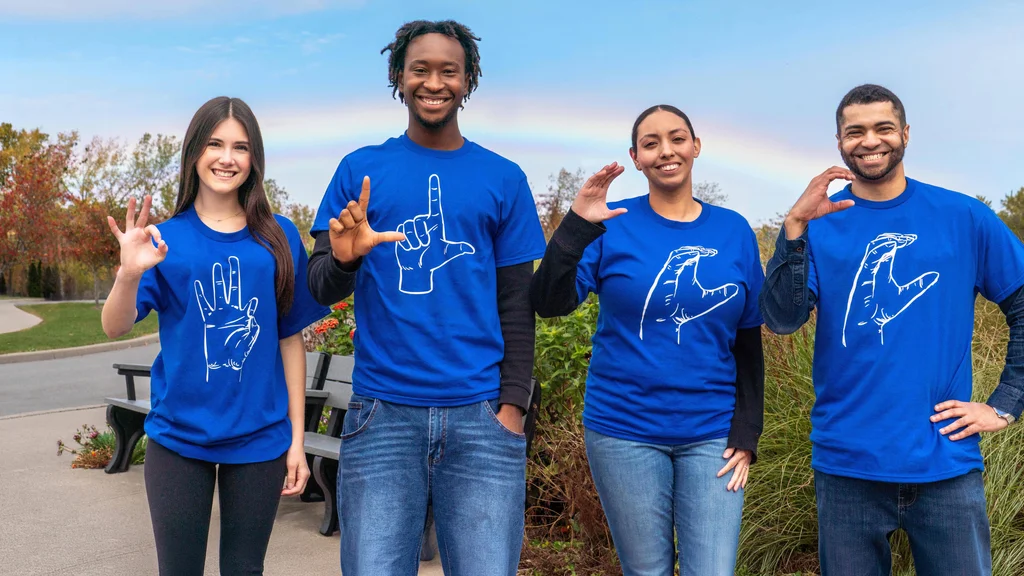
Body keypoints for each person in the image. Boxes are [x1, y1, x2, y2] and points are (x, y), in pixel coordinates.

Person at [306, 20, 546, 576]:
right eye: (420, 69)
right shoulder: (359, 171)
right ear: (398, 76)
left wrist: (512, 409)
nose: (433, 82)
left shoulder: (502, 178)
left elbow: (517, 303)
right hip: (382, 415)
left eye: (448, 71)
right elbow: (321, 284)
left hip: (483, 418)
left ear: (467, 81)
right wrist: (346, 257)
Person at [759, 83, 1024, 575]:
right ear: (839, 142)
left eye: (883, 128)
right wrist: (794, 227)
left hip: (945, 462)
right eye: (854, 131)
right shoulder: (820, 222)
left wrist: (1005, 404)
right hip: (846, 465)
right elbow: (781, 318)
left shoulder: (962, 216)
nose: (870, 140)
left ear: (904, 133)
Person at [530, 104, 765, 576]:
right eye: (651, 143)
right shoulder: (612, 221)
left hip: (712, 434)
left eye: (677, 139)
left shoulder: (733, 230)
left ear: (695, 147)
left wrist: (747, 432)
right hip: (623, 432)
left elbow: (747, 341)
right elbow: (548, 302)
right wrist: (576, 225)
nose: (666, 151)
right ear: (636, 157)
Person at [101, 96, 329, 576]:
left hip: (261, 441)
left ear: (254, 160)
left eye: (241, 147)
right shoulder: (163, 240)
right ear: (194, 153)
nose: (227, 157)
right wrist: (127, 274)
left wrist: (296, 441)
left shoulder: (279, 237)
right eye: (215, 144)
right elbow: (114, 326)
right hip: (179, 439)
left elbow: (290, 341)